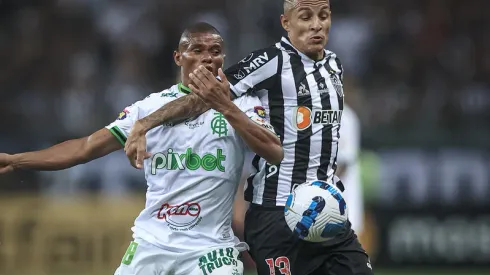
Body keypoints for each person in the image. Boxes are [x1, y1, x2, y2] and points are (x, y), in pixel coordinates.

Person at [0, 22, 284, 275]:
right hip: (152, 245)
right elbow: (85, 148)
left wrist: (223, 104)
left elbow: (274, 151)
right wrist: (17, 161)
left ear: (223, 58)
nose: (207, 57)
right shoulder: (148, 107)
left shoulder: (243, 104)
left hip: (210, 251)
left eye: (215, 51)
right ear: (178, 57)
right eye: (196, 49)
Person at [123, 1, 373, 274]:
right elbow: (206, 97)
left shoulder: (334, 65)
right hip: (277, 214)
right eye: (306, 17)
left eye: (323, 16)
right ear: (286, 23)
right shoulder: (270, 61)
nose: (316, 24)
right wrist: (145, 123)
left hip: (326, 209)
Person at [336, 104, 364, 235]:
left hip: (343, 203)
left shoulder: (345, 116)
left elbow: (343, 164)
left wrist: (316, 190)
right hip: (318, 205)